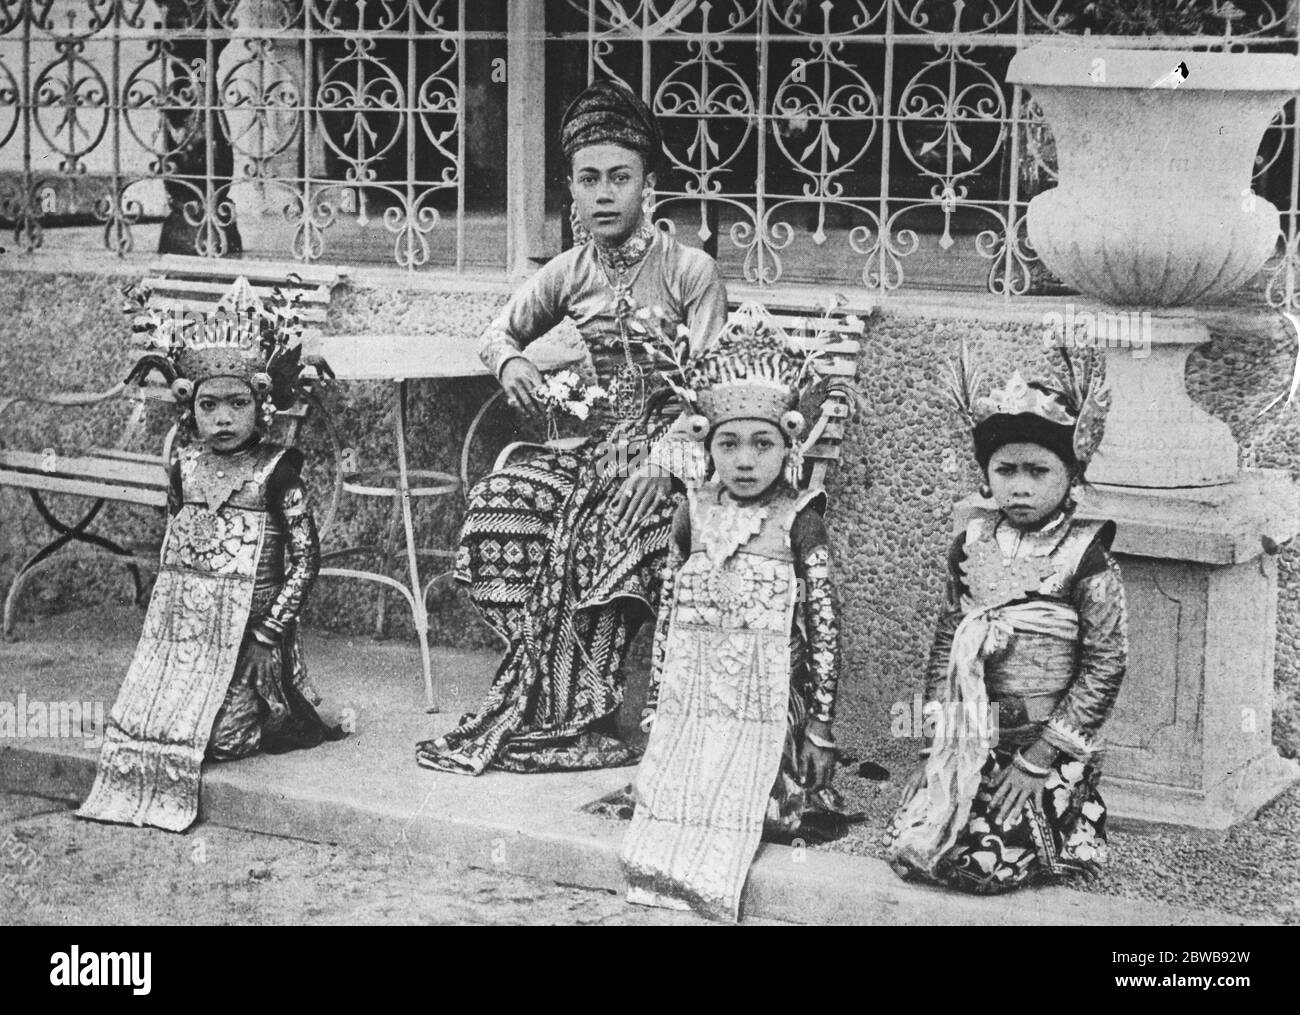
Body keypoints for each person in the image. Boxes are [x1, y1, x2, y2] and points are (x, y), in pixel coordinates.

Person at [416, 79, 729, 776]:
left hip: (676, 456)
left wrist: (664, 463)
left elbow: (714, 387)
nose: (605, 194)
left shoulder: (690, 271)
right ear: (573, 191)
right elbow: (497, 331)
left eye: (621, 177)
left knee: (617, 534)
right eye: (590, 180)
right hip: (598, 449)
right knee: (499, 510)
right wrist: (512, 364)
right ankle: (550, 700)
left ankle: (592, 710)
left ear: (649, 184)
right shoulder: (571, 270)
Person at [78, 279, 346, 833]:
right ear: (190, 408)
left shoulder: (280, 470)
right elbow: (177, 540)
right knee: (147, 727)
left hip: (253, 638)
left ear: (262, 405)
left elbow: (305, 560)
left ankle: (285, 712)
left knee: (218, 740)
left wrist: (268, 635)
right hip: (192, 637)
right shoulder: (185, 464)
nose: (222, 418)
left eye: (237, 404)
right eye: (209, 405)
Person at [620, 306, 857, 922]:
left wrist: (821, 727)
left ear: (789, 446)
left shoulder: (801, 517)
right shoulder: (690, 512)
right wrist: (655, 707)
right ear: (707, 445)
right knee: (675, 796)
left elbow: (826, 626)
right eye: (729, 443)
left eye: (763, 443)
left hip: (772, 699)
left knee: (763, 803)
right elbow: (670, 611)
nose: (746, 460)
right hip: (696, 699)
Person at [885, 356, 1126, 893]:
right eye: (1006, 471)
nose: (1020, 487)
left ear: (1072, 476)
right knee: (913, 846)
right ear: (986, 477)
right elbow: (949, 640)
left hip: (1043, 742)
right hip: (975, 735)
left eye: (1038, 471)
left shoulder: (1086, 556)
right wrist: (934, 748)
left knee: (981, 865)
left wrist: (1040, 758)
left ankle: (1064, 814)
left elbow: (1105, 664)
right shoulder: (972, 542)